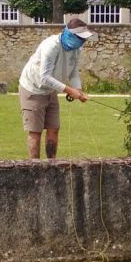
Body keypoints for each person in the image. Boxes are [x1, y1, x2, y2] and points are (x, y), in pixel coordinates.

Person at [18, 18, 94, 159]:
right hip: (33, 89)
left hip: (50, 90)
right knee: (35, 132)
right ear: (70, 35)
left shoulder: (76, 49)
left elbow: (73, 71)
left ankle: (52, 166)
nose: (82, 42)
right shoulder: (51, 46)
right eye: (80, 38)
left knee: (54, 128)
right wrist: (70, 91)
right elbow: (44, 77)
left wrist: (78, 89)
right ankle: (35, 169)